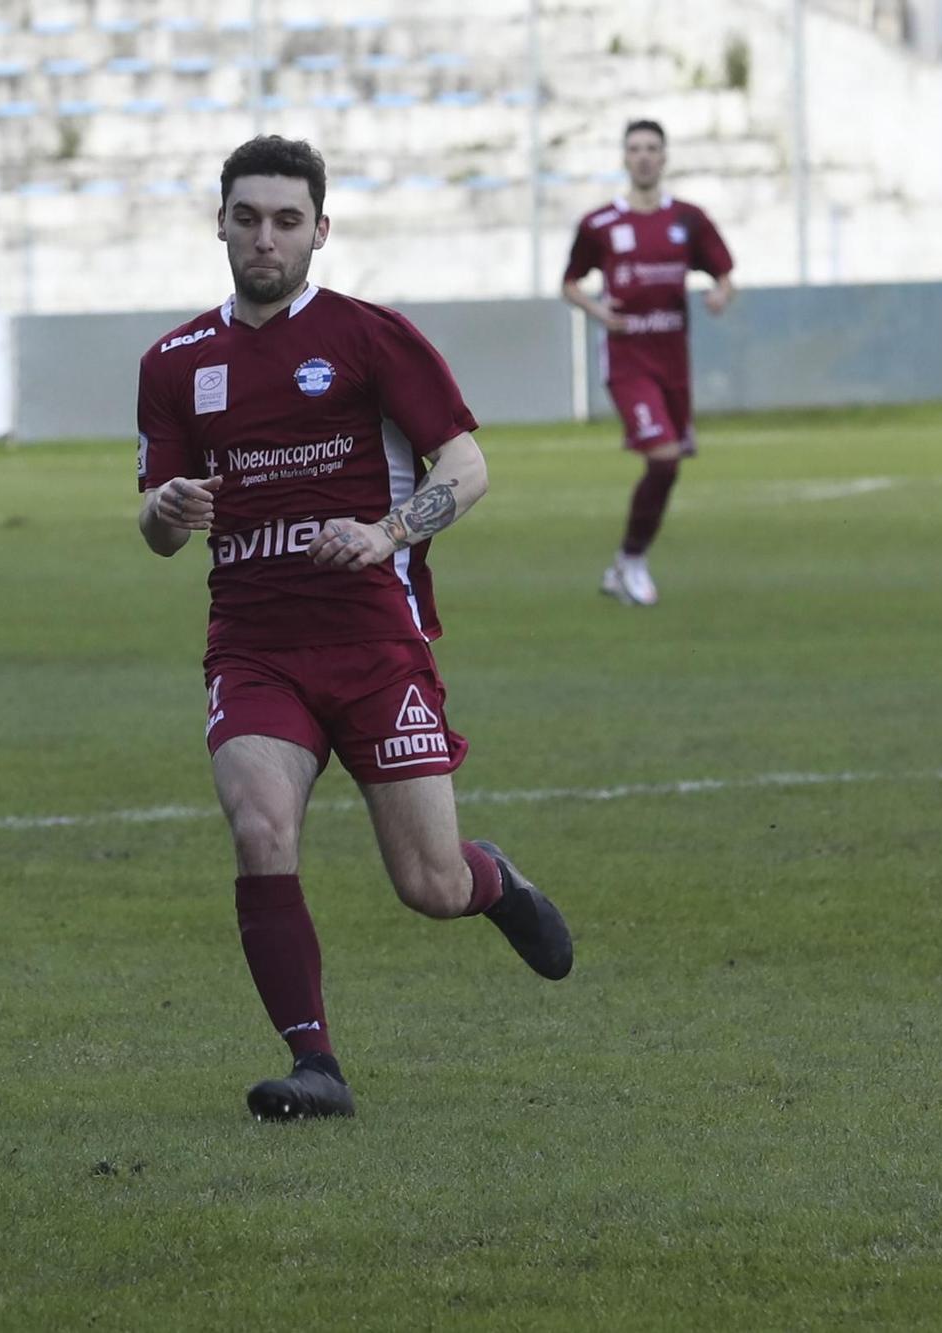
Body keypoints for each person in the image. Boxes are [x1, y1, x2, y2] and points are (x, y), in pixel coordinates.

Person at [135, 136, 573, 1122]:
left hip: (376, 645)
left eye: (286, 220)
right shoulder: (173, 362)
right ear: (218, 223)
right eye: (245, 217)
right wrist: (164, 510)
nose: (264, 237)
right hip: (250, 645)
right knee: (258, 825)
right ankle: (314, 1064)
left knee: (427, 882)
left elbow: (464, 467)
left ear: (318, 231)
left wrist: (386, 531)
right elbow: (156, 525)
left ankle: (488, 880)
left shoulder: (372, 337)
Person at [562, 119, 737, 607]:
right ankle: (633, 563)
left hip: (672, 360)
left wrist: (721, 295)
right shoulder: (600, 225)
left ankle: (626, 562)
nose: (642, 156)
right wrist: (600, 312)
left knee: (670, 465)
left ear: (664, 157)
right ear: (624, 158)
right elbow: (570, 282)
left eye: (651, 148)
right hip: (627, 359)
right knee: (661, 456)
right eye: (634, 148)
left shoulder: (688, 220)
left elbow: (723, 271)